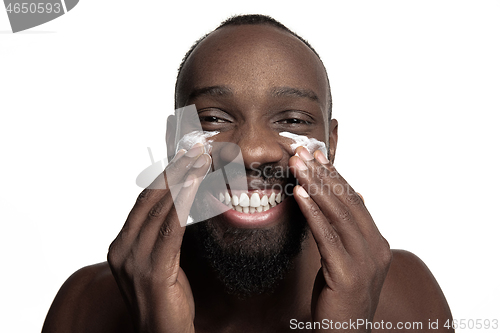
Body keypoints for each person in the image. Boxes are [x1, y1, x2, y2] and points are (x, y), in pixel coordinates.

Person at [42, 14, 454, 333]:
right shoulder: (84, 307)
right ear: (174, 143)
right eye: (213, 119)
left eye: (292, 119)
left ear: (331, 144)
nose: (253, 150)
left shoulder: (407, 300)